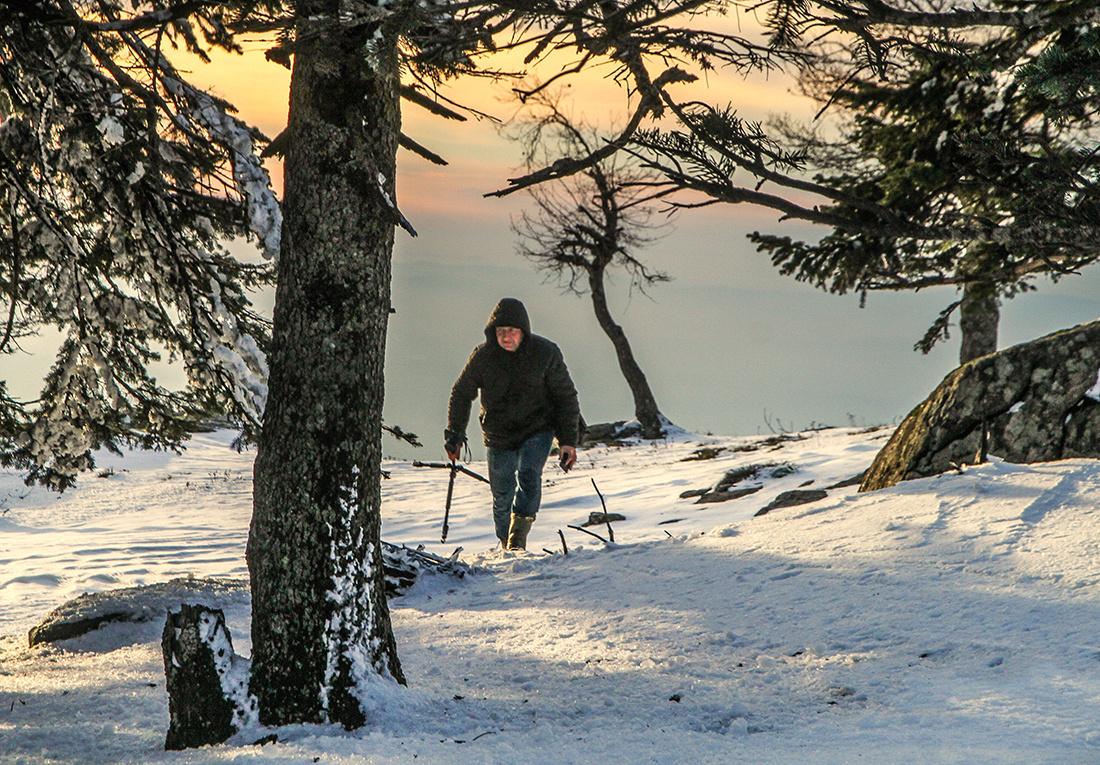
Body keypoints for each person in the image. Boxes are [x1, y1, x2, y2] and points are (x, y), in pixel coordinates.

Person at [445, 298, 581, 551]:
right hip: (499, 432)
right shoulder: (483, 357)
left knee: (530, 473)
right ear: (492, 332)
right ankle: (505, 543)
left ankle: (518, 535)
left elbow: (565, 396)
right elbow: (462, 393)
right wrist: (454, 434)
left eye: (512, 331)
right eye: (500, 331)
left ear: (523, 332)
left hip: (537, 427)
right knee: (502, 492)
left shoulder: (545, 353)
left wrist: (568, 441)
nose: (506, 337)